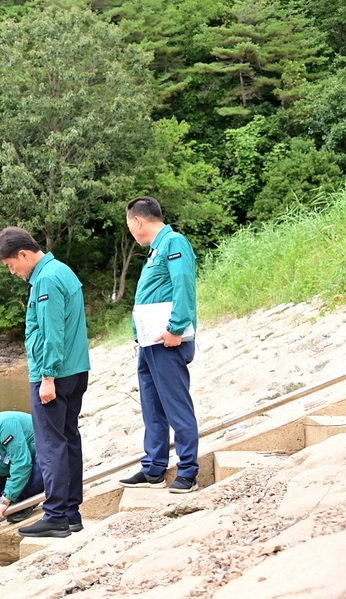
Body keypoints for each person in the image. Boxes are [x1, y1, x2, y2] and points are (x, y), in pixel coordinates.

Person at [0, 227, 91, 538]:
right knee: (68, 440)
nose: (12, 272)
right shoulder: (61, 270)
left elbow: (52, 333)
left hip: (55, 375)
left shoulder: (46, 279)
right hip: (75, 371)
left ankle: (56, 516)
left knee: (51, 446)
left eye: (11, 265)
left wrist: (46, 377)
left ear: (23, 254)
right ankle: (71, 513)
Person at [119, 196, 200, 494]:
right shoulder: (155, 250)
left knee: (176, 405)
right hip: (149, 342)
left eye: (130, 226)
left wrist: (176, 328)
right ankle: (153, 467)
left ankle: (188, 470)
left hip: (168, 341)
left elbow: (184, 286)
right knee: (152, 407)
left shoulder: (174, 243)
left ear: (138, 221)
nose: (131, 231)